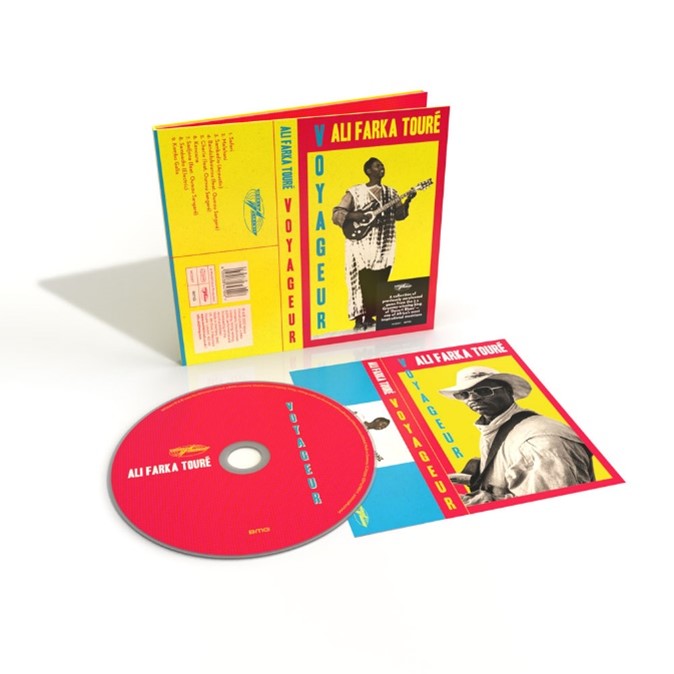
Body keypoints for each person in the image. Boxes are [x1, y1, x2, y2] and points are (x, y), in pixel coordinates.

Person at [439, 366, 594, 505]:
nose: (472, 398)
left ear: (508, 391)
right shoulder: (498, 425)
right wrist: (474, 479)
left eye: (484, 391)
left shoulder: (537, 443)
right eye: (464, 394)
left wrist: (465, 501)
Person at [332, 157, 416, 331]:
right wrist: (358, 216)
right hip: (360, 243)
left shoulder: (392, 193)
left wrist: (408, 200)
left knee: (379, 279)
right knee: (359, 279)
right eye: (378, 166)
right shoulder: (355, 192)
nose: (382, 168)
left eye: (383, 165)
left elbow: (399, 215)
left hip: (384, 243)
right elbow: (337, 214)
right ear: (368, 171)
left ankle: (370, 316)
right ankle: (358, 319)